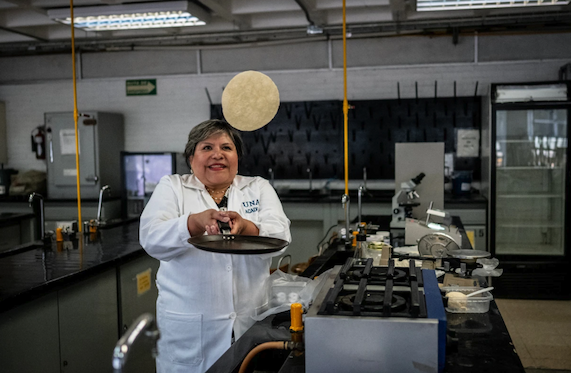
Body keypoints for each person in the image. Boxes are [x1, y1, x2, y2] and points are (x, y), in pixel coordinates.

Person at [139, 119, 291, 373]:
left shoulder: (258, 187)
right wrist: (193, 223)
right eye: (207, 147)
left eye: (226, 148)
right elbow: (151, 239)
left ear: (237, 157)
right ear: (191, 158)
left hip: (249, 321)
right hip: (191, 329)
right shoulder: (173, 187)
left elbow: (280, 237)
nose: (217, 154)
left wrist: (247, 228)